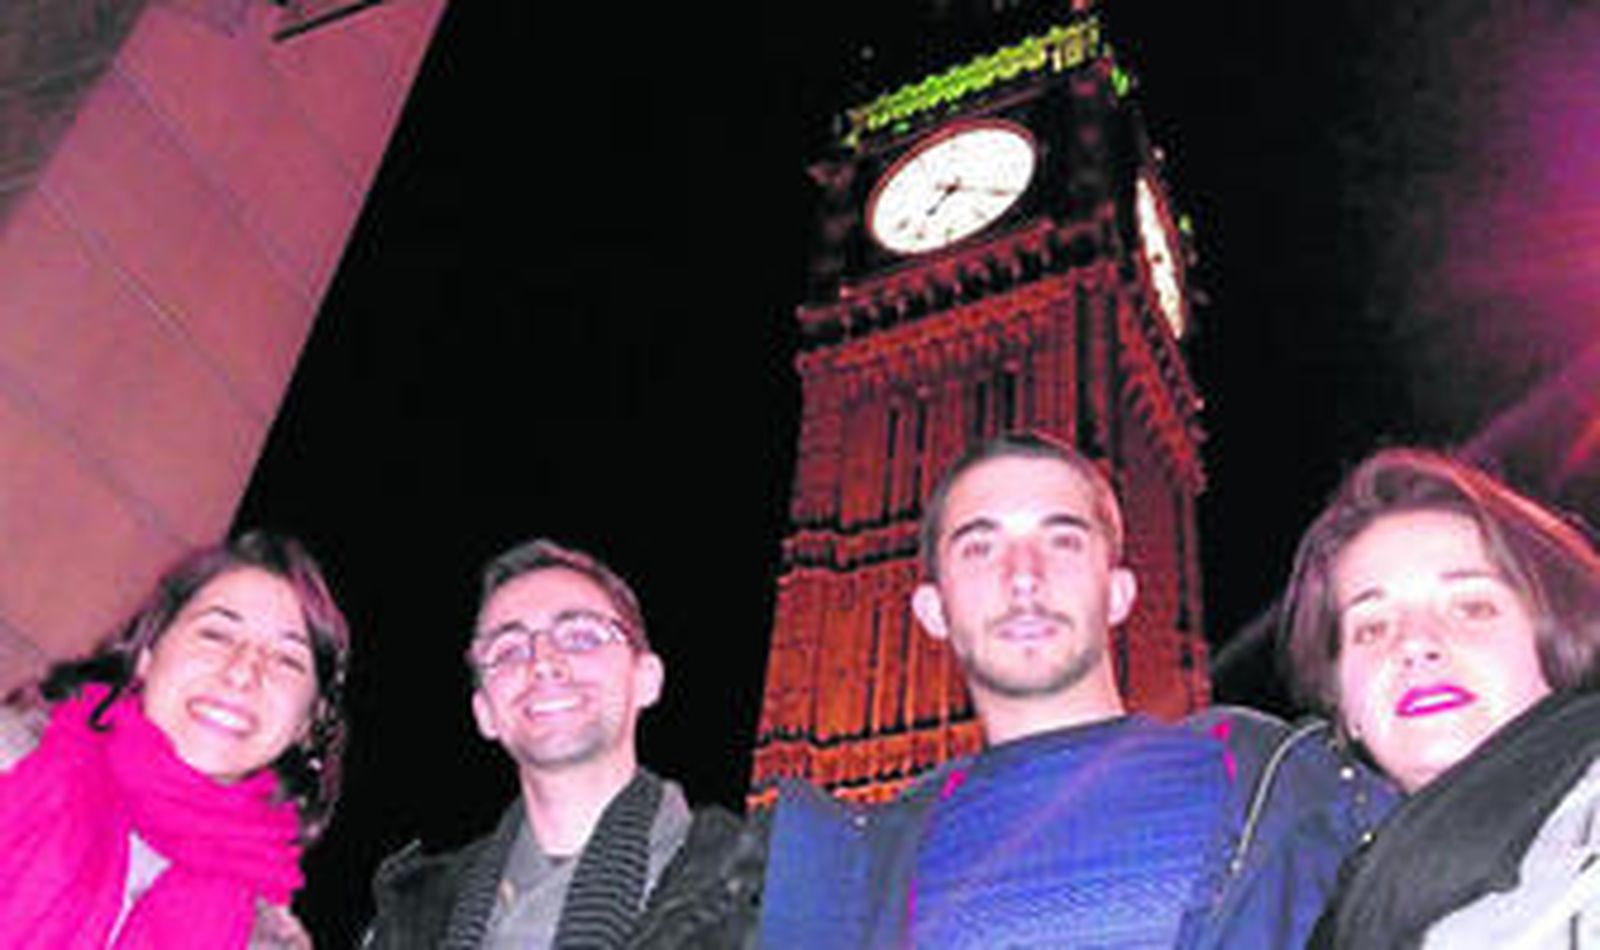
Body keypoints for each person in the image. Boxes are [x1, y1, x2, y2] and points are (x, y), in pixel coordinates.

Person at [758, 431, 1395, 949]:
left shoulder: (1295, 790)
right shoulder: (850, 870)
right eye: (980, 548)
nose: (1024, 577)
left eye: (1062, 540)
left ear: (1119, 592)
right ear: (932, 609)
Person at [364, 538, 760, 949]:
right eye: (509, 650)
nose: (543, 662)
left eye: (581, 636)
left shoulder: (760, 888)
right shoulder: (412, 919)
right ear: (484, 712)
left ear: (646, 679)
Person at [1280, 446, 1600, 948]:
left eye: (1471, 607)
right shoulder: (1349, 910)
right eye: (1372, 627)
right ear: (1346, 708)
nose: (1414, 643)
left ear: (1557, 639)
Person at [0, 529, 351, 949]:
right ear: (147, 653)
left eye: (287, 660)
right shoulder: (12, 764)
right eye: (217, 635)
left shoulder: (265, 940)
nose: (243, 672)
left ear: (307, 722)